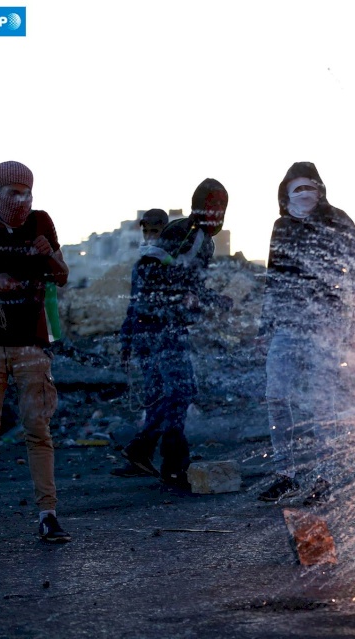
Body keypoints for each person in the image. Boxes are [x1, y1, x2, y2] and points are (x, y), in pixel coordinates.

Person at [0, 161, 71, 543]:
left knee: (38, 430)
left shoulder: (41, 221)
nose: (19, 199)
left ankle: (48, 515)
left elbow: (62, 274)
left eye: (25, 191)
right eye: (11, 191)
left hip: (31, 344)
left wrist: (48, 255)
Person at [257, 162, 355, 505]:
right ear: (285, 194)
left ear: (321, 190)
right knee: (276, 395)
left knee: (323, 403)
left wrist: (354, 319)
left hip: (326, 324)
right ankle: (285, 474)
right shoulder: (282, 227)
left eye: (310, 188)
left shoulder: (337, 221)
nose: (305, 195)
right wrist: (266, 322)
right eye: (297, 189)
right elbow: (274, 275)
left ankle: (325, 477)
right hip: (288, 323)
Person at [113, 183, 230, 489]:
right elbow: (167, 279)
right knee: (180, 391)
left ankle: (151, 454)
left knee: (168, 393)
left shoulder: (191, 239)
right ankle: (170, 462)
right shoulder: (191, 234)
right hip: (161, 327)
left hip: (155, 327)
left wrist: (209, 299)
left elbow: (183, 283)